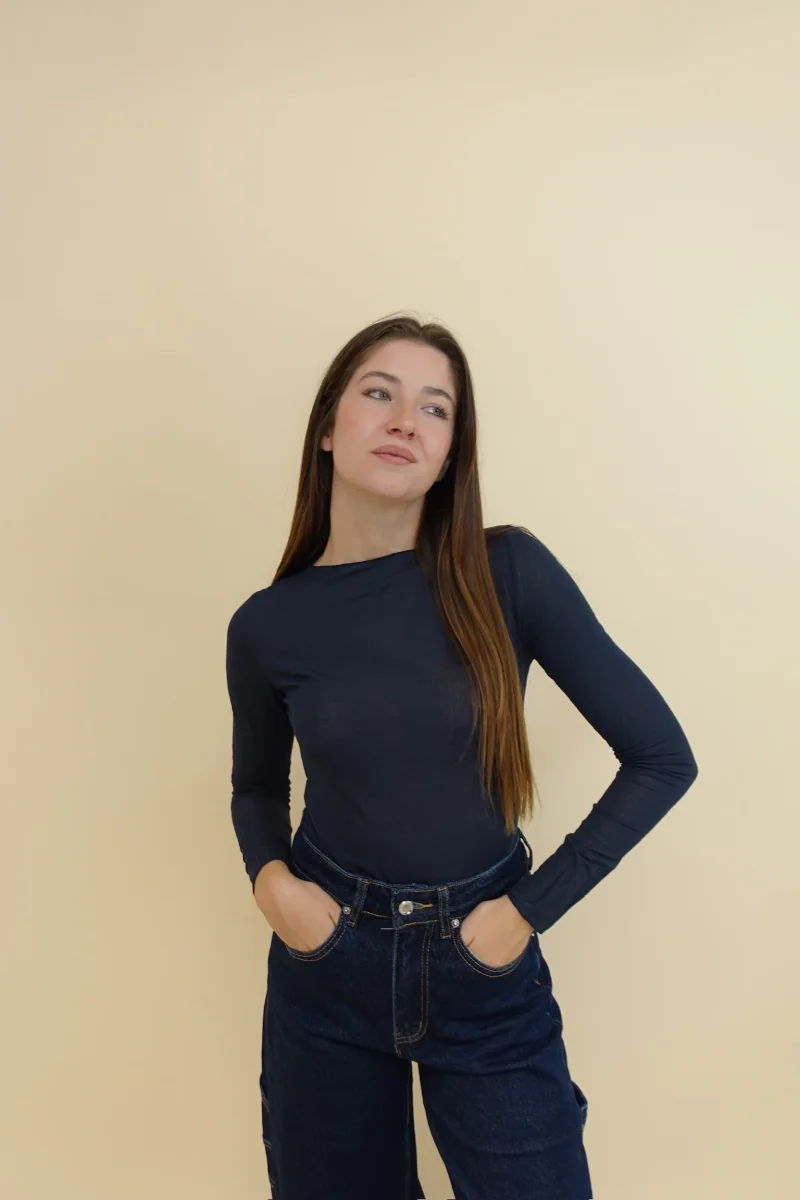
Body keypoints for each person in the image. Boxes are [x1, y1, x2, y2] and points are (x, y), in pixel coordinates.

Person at [224, 313, 699, 1200]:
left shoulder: (507, 571)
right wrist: (272, 884)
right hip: (327, 966)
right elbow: (256, 786)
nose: (406, 420)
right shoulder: (267, 624)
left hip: (483, 966)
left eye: (435, 408)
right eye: (380, 393)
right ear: (328, 427)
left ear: (449, 456)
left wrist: (526, 911)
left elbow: (662, 757)